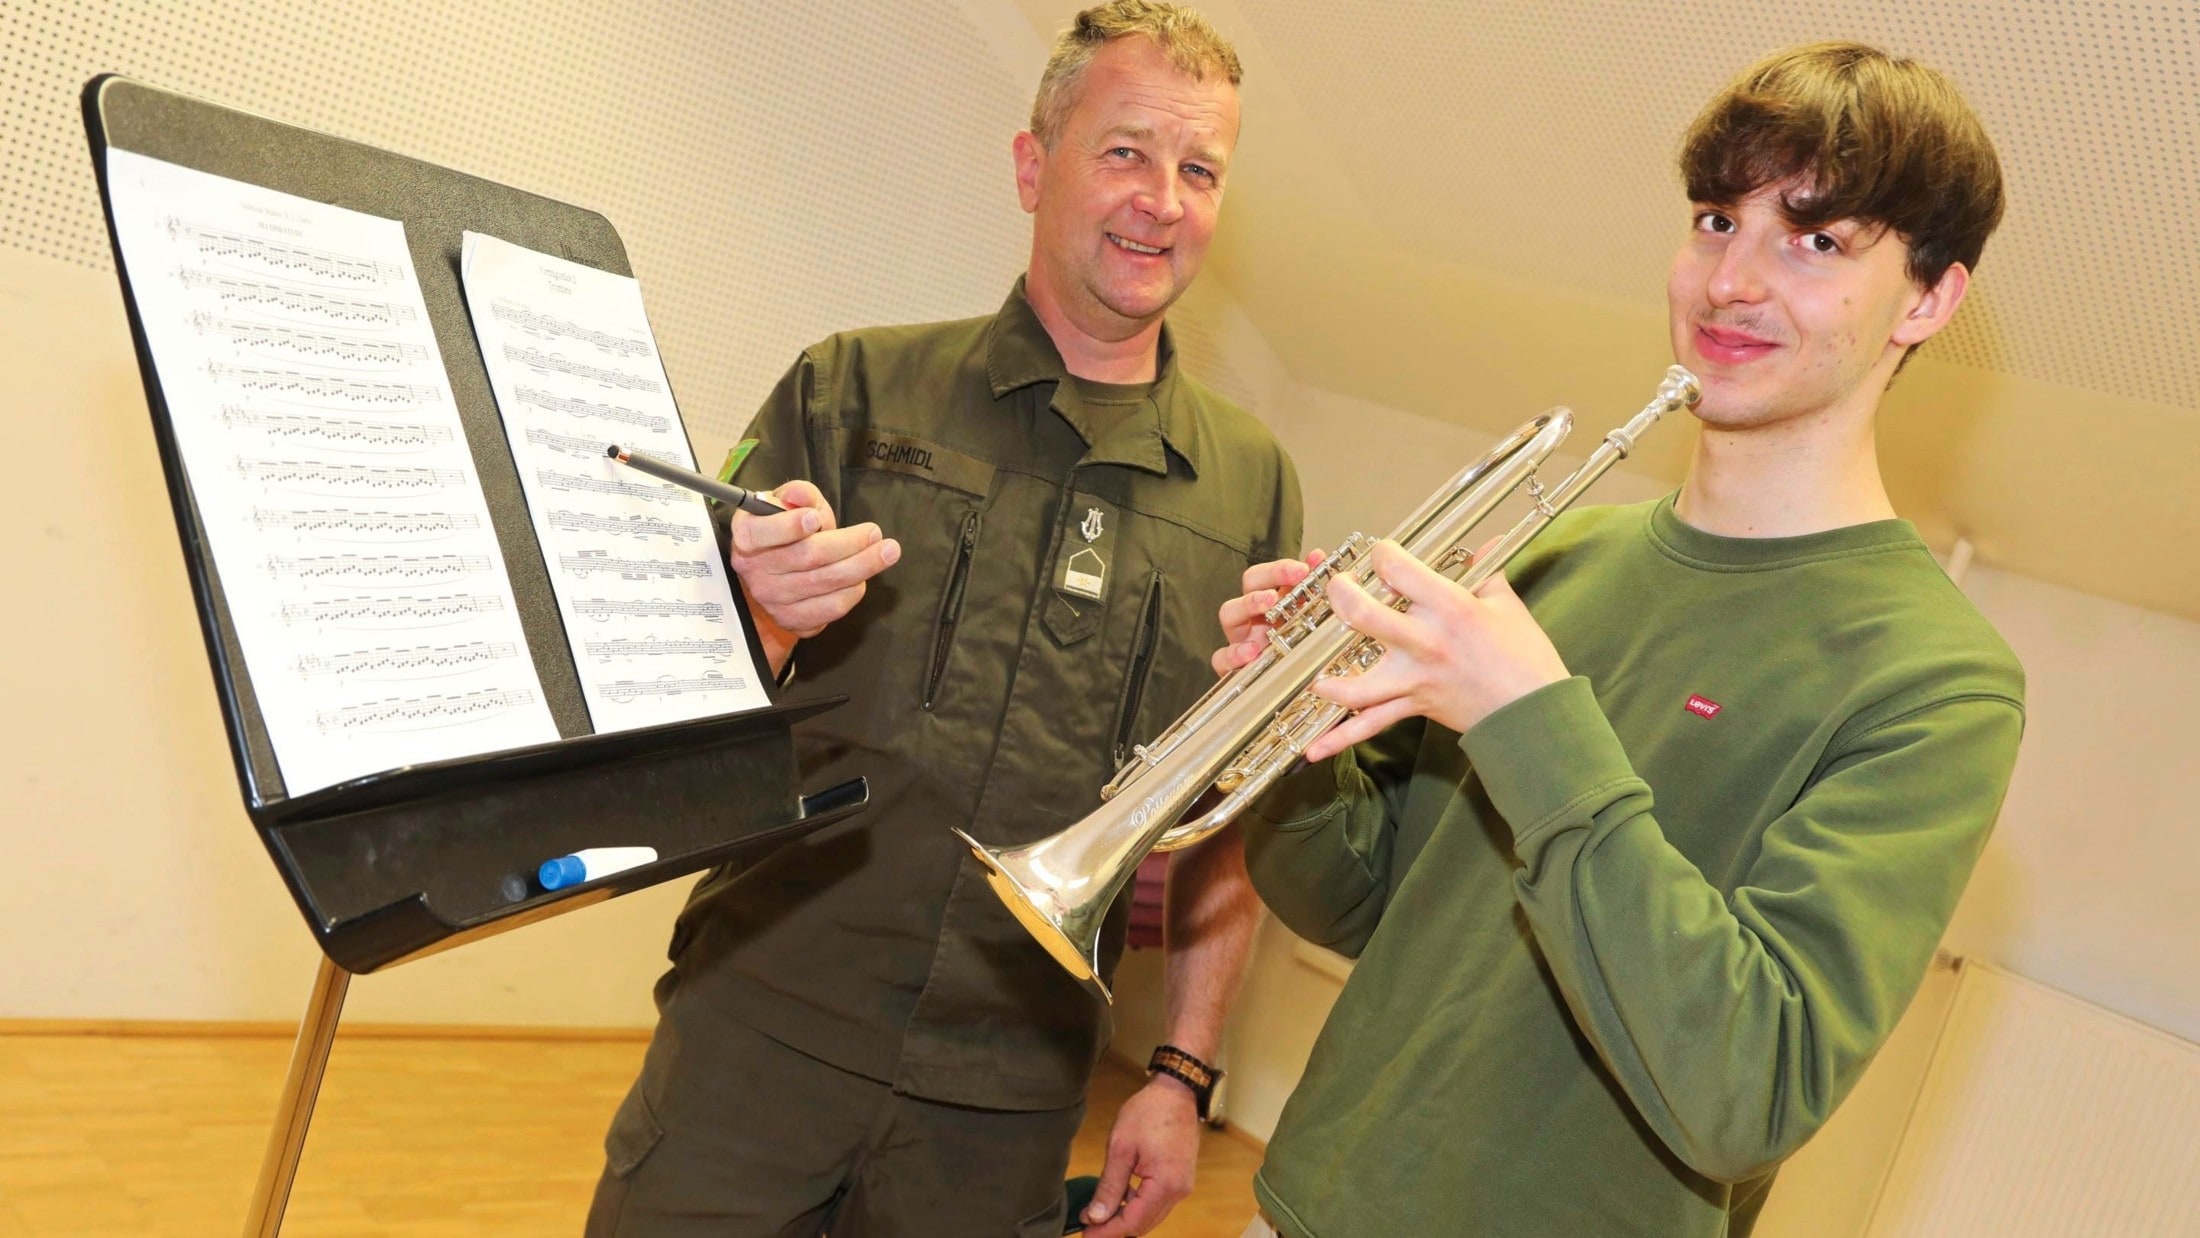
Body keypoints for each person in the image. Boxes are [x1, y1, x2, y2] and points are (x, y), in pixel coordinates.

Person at [1217, 43, 2023, 1237]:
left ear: (1928, 297)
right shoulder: (1557, 557)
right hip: (1300, 1202)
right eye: (1714, 219)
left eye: (1816, 240)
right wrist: (1287, 728)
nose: (1731, 282)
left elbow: (1748, 1086)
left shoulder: (1939, 679)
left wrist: (1528, 721)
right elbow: (1361, 902)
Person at [587, 5, 1300, 1237]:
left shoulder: (1254, 486)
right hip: (761, 1031)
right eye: (1125, 151)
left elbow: (1229, 811)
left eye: (1198, 170)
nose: (1160, 200)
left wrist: (1181, 1073)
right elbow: (669, 697)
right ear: (1035, 164)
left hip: (1009, 1102)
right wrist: (757, 615)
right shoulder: (848, 386)